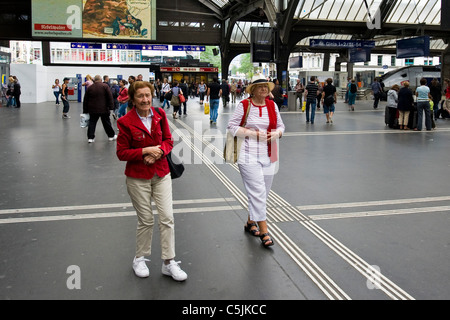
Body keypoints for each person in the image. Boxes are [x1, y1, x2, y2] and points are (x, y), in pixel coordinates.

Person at [116, 80, 187, 281]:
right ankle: (139, 258)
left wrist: (157, 153)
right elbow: (121, 153)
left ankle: (169, 262)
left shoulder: (160, 114)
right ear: (133, 99)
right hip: (137, 177)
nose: (145, 99)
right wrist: (145, 151)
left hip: (161, 172)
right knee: (146, 220)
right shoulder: (125, 122)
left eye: (148, 95)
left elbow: (168, 141)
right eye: (140, 96)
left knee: (167, 217)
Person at [226, 73, 285, 248]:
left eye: (266, 87)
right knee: (258, 191)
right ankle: (264, 230)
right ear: (253, 90)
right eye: (261, 87)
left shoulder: (272, 105)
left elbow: (281, 126)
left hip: (270, 153)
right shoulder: (244, 105)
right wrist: (253, 134)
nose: (265, 89)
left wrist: (277, 133)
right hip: (248, 153)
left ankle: (251, 221)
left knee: (264, 192)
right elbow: (232, 127)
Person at [82, 75, 117, 142]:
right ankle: (111, 136)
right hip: (104, 109)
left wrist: (85, 110)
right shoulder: (105, 86)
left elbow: (86, 99)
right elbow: (110, 97)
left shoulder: (90, 88)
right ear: (101, 80)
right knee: (106, 123)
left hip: (92, 109)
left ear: (94, 80)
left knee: (92, 123)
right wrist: (111, 107)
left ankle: (90, 138)